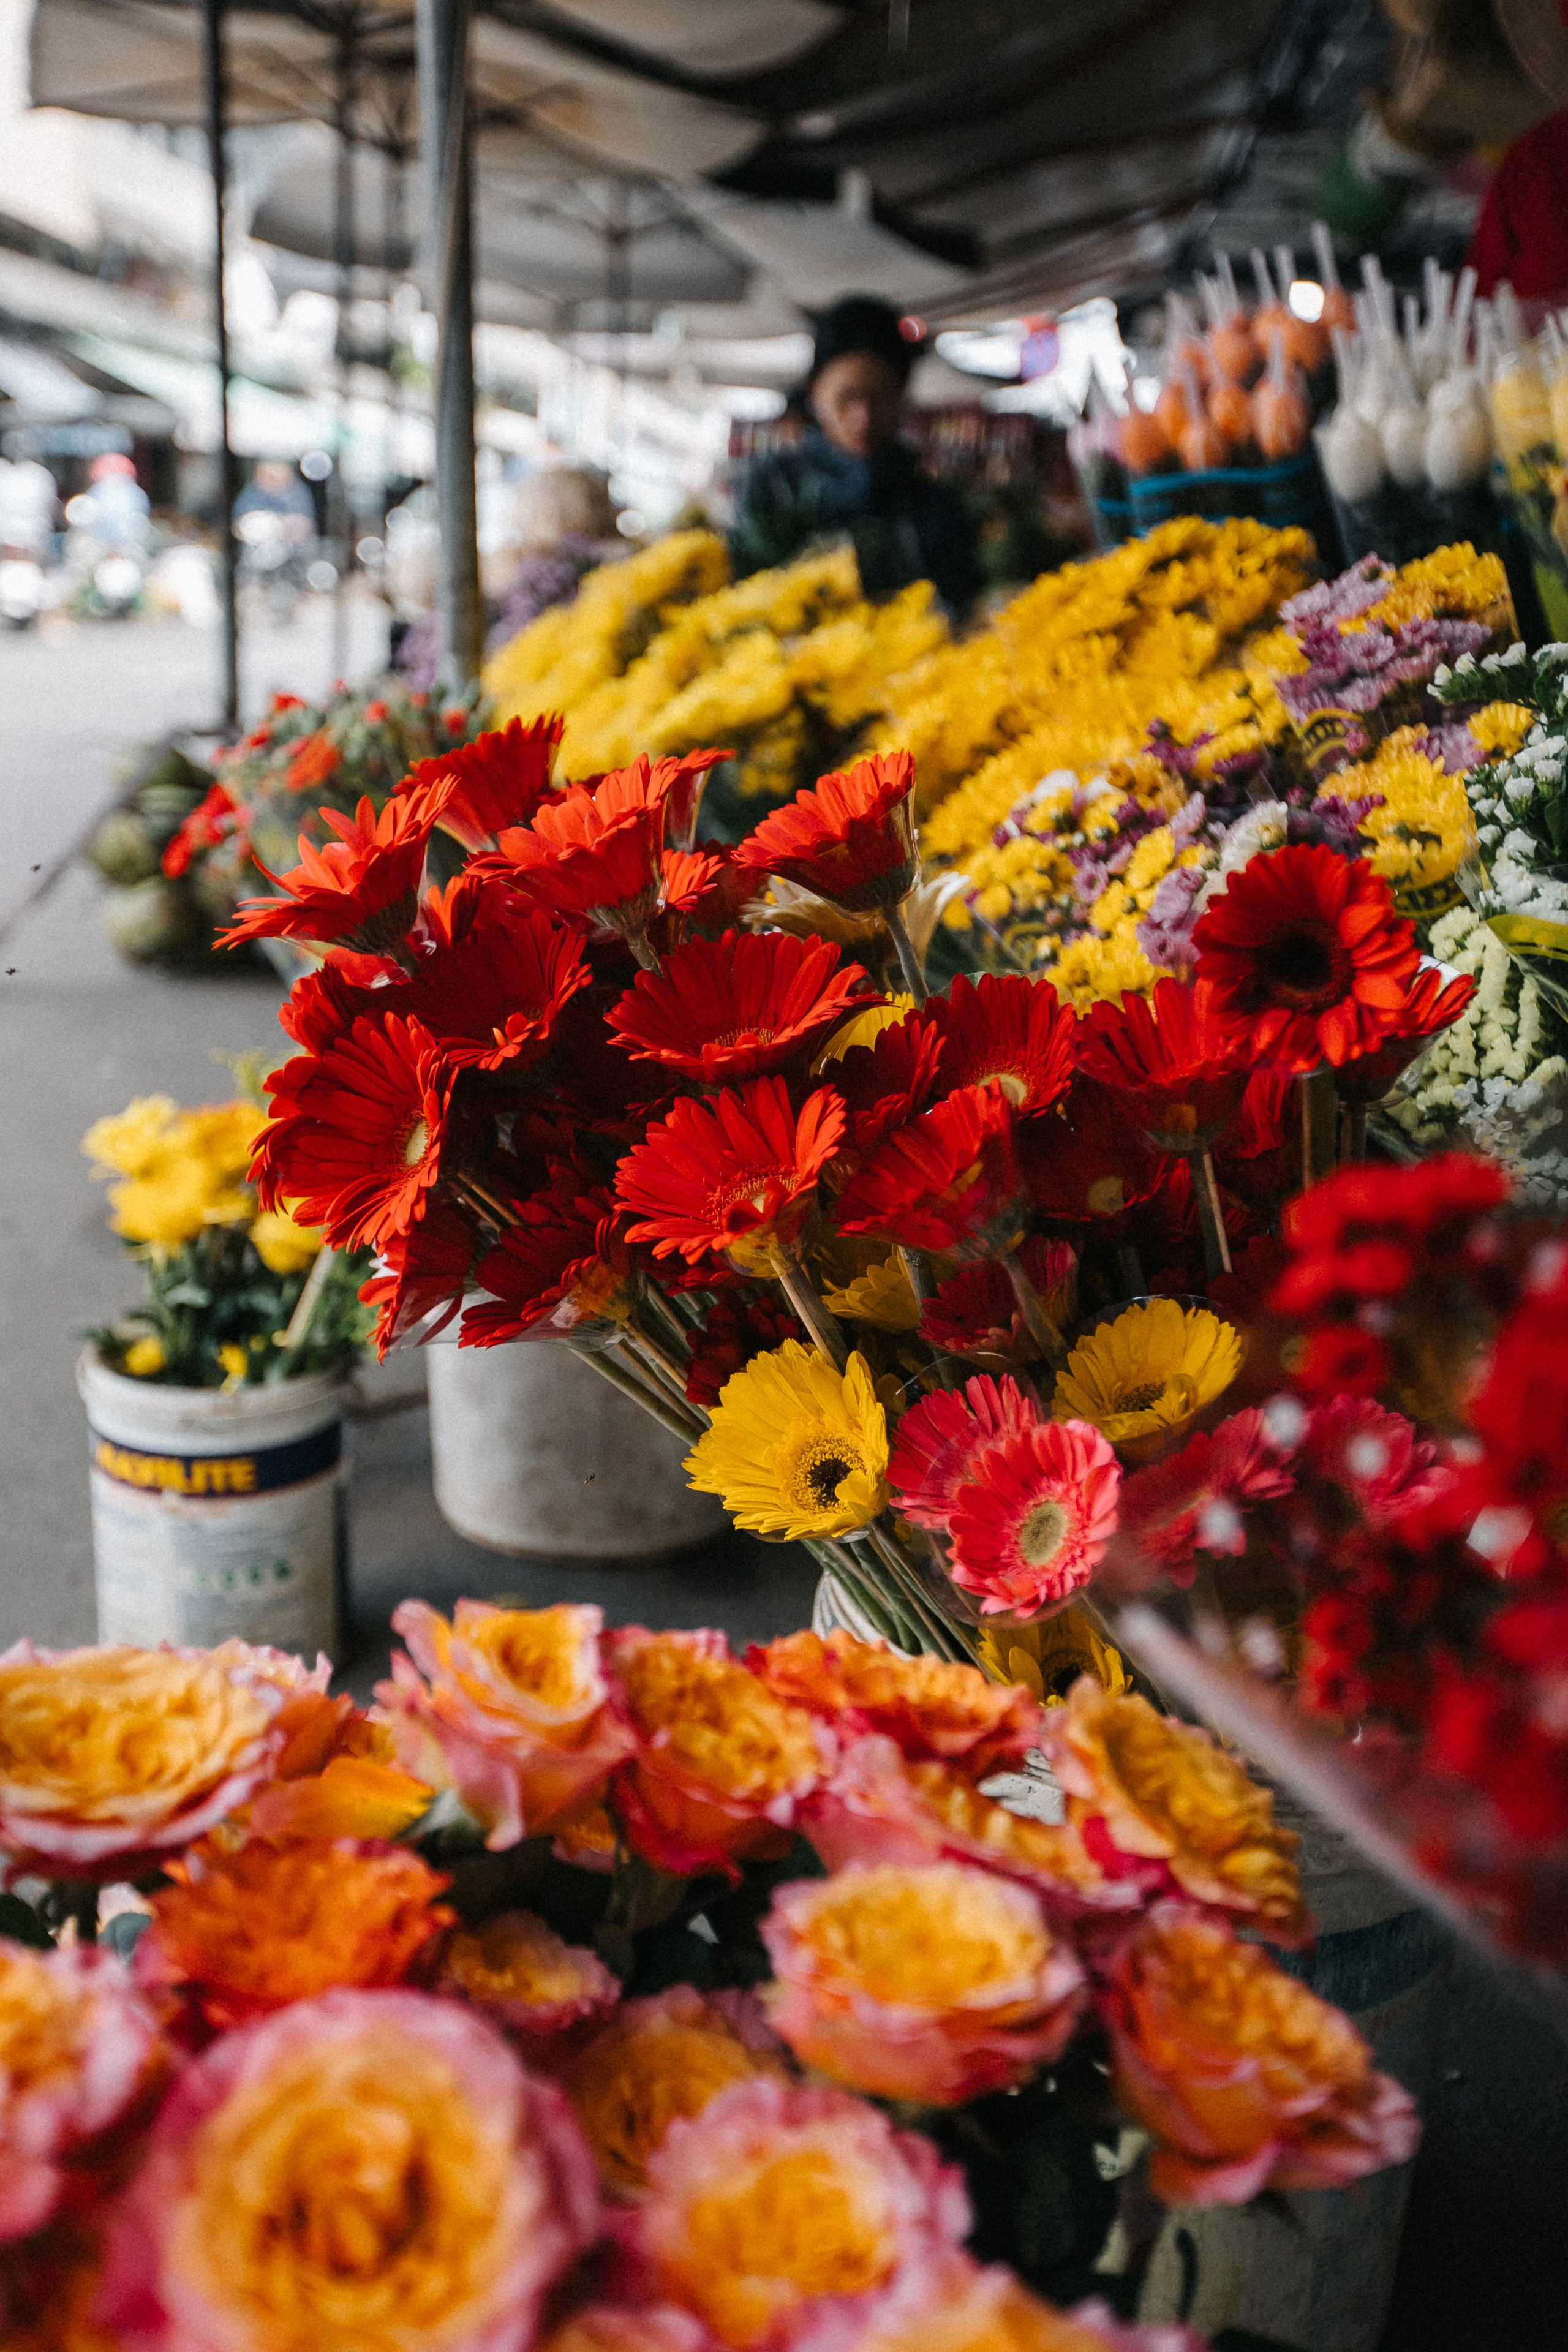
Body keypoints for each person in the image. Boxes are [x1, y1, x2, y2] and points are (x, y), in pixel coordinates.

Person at [730, 295, 979, 615]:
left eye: (880, 396)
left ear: (903, 393)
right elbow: (743, 603)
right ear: (816, 393)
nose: (863, 416)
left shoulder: (935, 502)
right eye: (846, 397)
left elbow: (961, 605)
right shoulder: (772, 488)